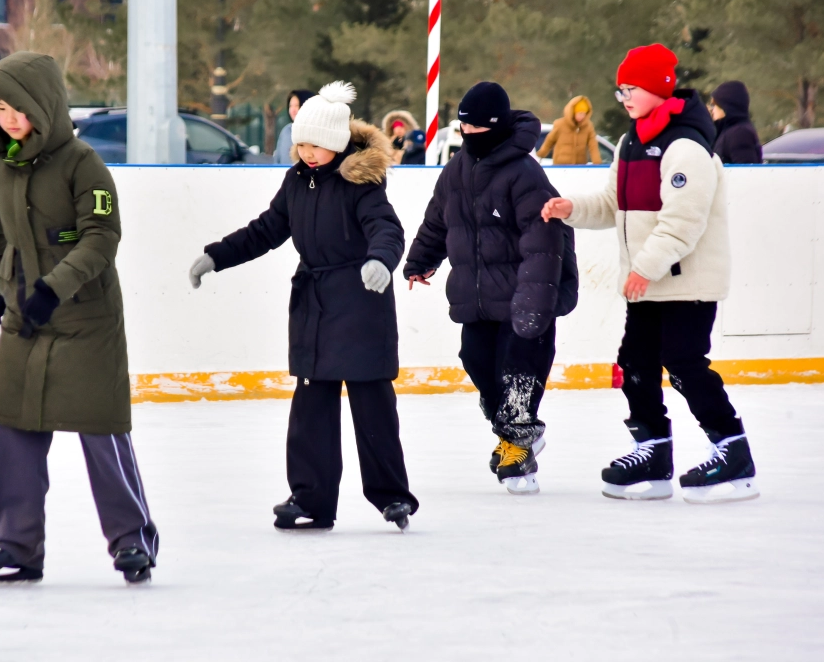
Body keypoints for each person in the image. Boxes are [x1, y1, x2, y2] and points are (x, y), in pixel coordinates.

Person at [188, 81, 418, 532]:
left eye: (316, 145)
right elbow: (267, 230)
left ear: (334, 143)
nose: (307, 153)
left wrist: (381, 261)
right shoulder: (296, 181)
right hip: (314, 306)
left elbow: (387, 228)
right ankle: (311, 498)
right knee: (311, 407)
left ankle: (393, 497)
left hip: (361, 304)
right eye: (302, 144)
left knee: (373, 404)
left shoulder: (361, 182)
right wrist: (217, 255)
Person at [0, 52, 158, 585]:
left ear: (44, 106)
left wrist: (54, 289)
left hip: (86, 321)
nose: (8, 117)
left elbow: (101, 238)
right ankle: (14, 543)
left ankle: (131, 542)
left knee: (102, 431)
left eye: (18, 107)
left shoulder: (82, 163)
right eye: (0, 107)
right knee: (16, 430)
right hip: (24, 320)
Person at [541, 43, 759, 504]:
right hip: (648, 284)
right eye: (619, 90)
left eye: (631, 89)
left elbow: (685, 220)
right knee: (635, 366)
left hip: (687, 282)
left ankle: (732, 450)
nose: (623, 98)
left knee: (682, 364)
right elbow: (610, 204)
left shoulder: (687, 147)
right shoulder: (630, 142)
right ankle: (653, 451)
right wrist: (571, 209)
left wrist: (644, 267)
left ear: (659, 87)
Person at [403, 82, 578, 496]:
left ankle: (518, 444)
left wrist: (536, 302)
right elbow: (438, 221)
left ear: (496, 129)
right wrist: (419, 261)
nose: (469, 138)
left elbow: (544, 241)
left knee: (519, 369)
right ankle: (516, 430)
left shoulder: (524, 173)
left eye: (477, 131)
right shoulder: (456, 170)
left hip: (524, 295)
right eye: (464, 130)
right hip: (477, 295)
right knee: (477, 360)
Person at [708, 81, 763, 164]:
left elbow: (746, 171)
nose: (712, 109)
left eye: (715, 105)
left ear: (726, 106)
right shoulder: (726, 131)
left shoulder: (740, 133)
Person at [538, 95, 602, 165]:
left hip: (579, 166)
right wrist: (540, 155)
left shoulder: (588, 127)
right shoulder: (560, 125)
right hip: (561, 166)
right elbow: (549, 141)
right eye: (580, 113)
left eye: (584, 114)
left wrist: (597, 162)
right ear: (573, 112)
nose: (582, 116)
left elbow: (593, 146)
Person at [273, 89, 315, 164]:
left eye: (297, 106)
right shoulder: (286, 131)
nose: (293, 110)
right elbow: (277, 160)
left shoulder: (316, 132)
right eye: (290, 106)